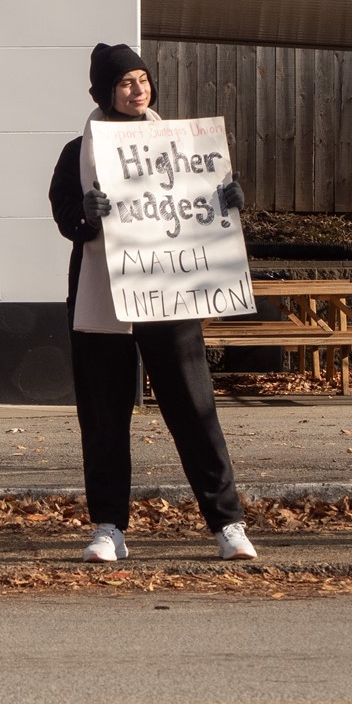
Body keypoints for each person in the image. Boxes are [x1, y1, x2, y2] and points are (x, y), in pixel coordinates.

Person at [48, 43, 258, 563]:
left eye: (142, 79)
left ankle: (227, 523)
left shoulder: (185, 147)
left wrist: (229, 200)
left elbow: (204, 205)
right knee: (104, 417)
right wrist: (87, 215)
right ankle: (108, 527)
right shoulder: (76, 153)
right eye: (125, 82)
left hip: (170, 294)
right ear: (103, 91)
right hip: (101, 300)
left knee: (194, 409)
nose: (137, 89)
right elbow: (64, 216)